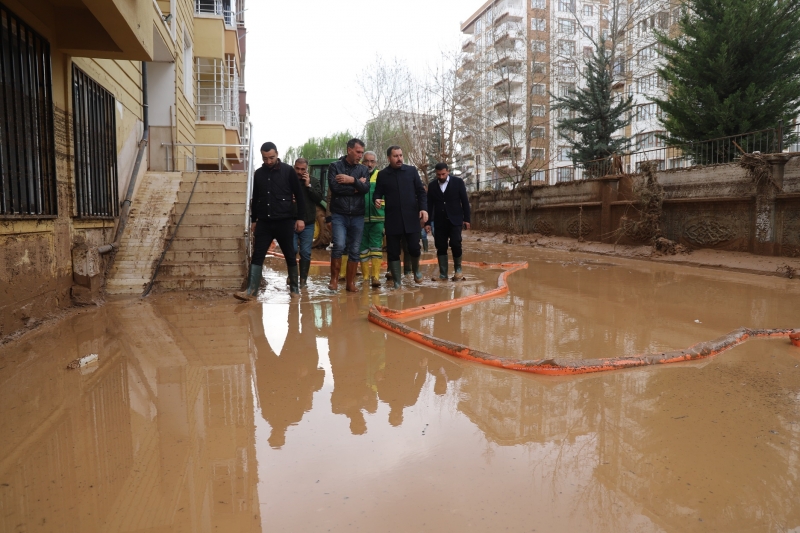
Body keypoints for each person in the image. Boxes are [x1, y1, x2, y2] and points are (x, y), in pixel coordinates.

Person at [235, 142, 305, 300]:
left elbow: (300, 196)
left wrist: (300, 218)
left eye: (271, 158)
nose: (268, 161)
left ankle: (294, 289)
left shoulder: (288, 171)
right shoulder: (259, 173)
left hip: (284, 221)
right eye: (265, 158)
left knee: (289, 254)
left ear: (277, 154)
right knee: (258, 255)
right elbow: (256, 198)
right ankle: (251, 291)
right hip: (264, 222)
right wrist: (254, 220)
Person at [373, 146, 428, 288]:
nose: (399, 158)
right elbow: (377, 192)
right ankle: (397, 282)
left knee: (414, 247)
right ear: (389, 158)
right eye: (395, 156)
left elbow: (421, 192)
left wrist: (423, 209)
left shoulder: (411, 171)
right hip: (393, 219)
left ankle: (416, 271)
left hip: (411, 217)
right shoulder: (383, 175)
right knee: (393, 251)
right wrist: (376, 199)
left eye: (401, 155)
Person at [327, 138, 370, 291]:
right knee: (339, 245)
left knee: (355, 249)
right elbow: (335, 188)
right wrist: (356, 186)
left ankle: (350, 283)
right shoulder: (335, 166)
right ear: (349, 150)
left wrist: (351, 180)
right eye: (358, 152)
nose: (360, 155)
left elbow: (365, 189)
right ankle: (334, 280)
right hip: (339, 213)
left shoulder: (363, 169)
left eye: (362, 152)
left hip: (358, 215)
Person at [425, 162, 471, 281]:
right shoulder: (432, 186)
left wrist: (467, 219)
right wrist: (427, 223)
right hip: (439, 221)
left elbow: (465, 201)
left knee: (456, 243)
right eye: (438, 175)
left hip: (455, 219)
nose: (441, 177)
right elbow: (429, 205)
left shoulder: (458, 182)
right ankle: (443, 274)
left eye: (443, 174)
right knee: (440, 246)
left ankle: (458, 270)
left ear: (448, 172)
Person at [292, 157, 324, 287]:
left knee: (305, 252)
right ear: (294, 167)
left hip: (308, 222)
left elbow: (318, 198)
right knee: (292, 250)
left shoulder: (314, 181)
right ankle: (292, 276)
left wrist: (308, 186)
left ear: (307, 170)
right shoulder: (289, 180)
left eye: (303, 169)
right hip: (291, 221)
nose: (300, 172)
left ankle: (303, 281)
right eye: (297, 169)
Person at [359, 151, 384, 288]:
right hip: (360, 218)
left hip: (378, 218)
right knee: (362, 249)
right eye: (366, 161)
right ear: (362, 162)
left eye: (372, 161)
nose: (369, 164)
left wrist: (382, 204)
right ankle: (365, 278)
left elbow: (387, 195)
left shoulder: (381, 175)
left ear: (376, 162)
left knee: (376, 247)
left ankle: (375, 277)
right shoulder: (357, 175)